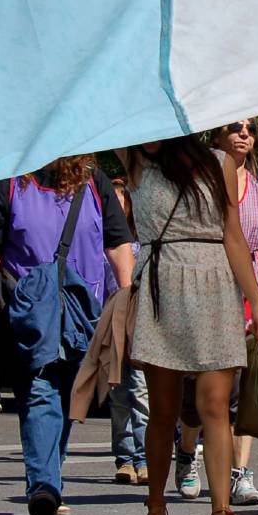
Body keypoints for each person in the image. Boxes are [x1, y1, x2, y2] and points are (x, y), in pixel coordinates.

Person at [118, 135, 258, 515]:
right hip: (162, 286)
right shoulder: (134, 159)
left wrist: (255, 299)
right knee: (164, 410)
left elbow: (234, 235)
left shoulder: (218, 161)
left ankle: (220, 513)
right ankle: (154, 507)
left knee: (216, 405)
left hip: (215, 285)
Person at [0, 157, 134, 515]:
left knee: (69, 393)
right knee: (40, 387)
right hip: (31, 307)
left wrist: (126, 292)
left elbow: (118, 240)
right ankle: (44, 485)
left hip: (83, 307)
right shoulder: (11, 180)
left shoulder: (95, 182)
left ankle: (49, 480)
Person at [197, 117, 258, 507]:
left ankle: (241, 473)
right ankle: (187, 454)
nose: (244, 134)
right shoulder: (205, 180)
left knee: (244, 384)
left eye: (249, 128)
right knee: (204, 391)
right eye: (234, 127)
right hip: (211, 286)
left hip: (251, 289)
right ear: (217, 135)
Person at [105, 180, 149, 486]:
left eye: (122, 203)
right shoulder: (99, 242)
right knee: (118, 395)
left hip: (141, 324)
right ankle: (124, 458)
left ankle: (145, 457)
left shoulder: (142, 242)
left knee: (141, 392)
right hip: (110, 323)